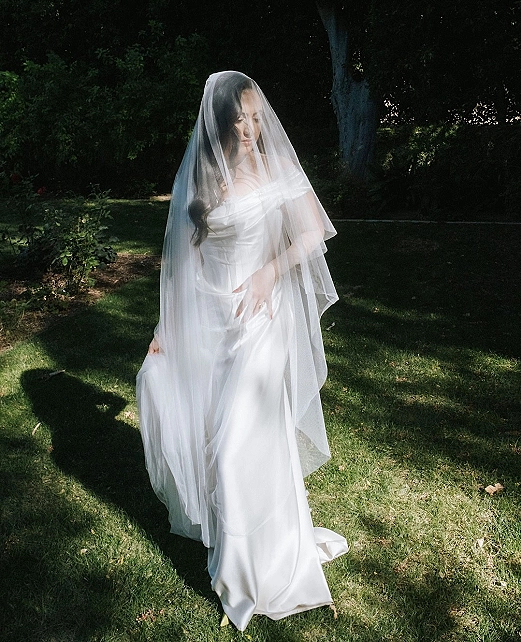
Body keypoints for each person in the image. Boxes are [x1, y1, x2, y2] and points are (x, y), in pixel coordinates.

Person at [136, 71, 348, 631]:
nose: (252, 128)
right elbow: (185, 263)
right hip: (213, 319)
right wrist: (167, 327)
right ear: (221, 120)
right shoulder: (205, 177)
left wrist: (267, 275)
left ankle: (255, 572)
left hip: (262, 319)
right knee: (218, 438)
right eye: (242, 118)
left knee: (235, 450)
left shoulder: (279, 169)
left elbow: (311, 235)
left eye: (258, 117)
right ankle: (253, 548)